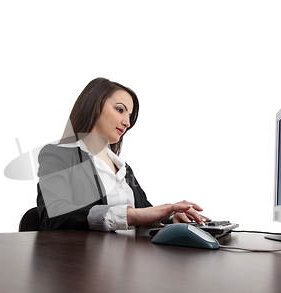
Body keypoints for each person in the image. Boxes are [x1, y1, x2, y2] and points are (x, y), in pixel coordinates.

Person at [36, 77, 209, 231]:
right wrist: (130, 216)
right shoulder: (59, 155)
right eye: (120, 110)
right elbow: (53, 217)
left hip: (131, 258)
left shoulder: (123, 168)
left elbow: (146, 211)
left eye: (130, 115)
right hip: (84, 261)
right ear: (94, 105)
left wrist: (170, 217)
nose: (127, 122)